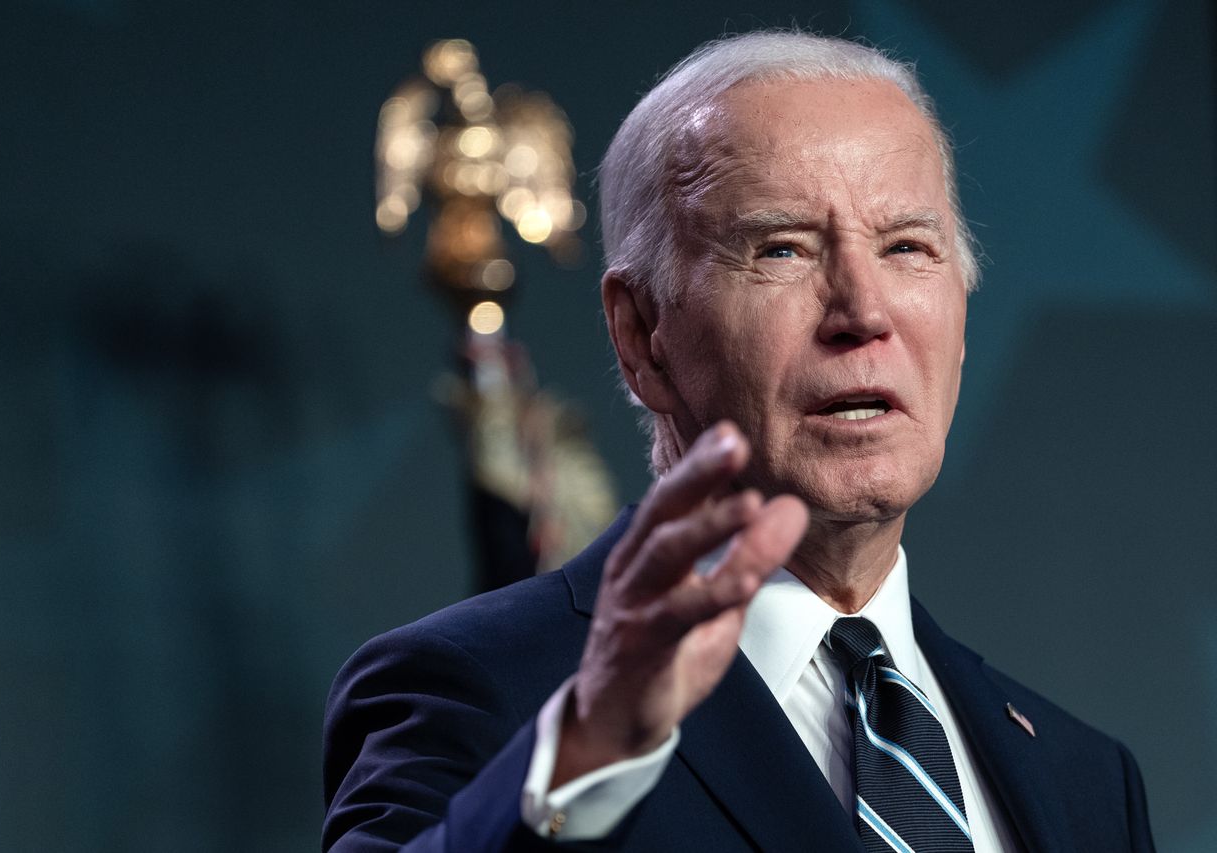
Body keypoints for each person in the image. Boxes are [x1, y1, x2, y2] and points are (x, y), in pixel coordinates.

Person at [323, 30, 1155, 852]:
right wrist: (588, 755)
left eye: (907, 247)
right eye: (783, 248)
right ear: (642, 333)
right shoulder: (484, 689)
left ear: (963, 315)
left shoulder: (1085, 780)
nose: (865, 313)